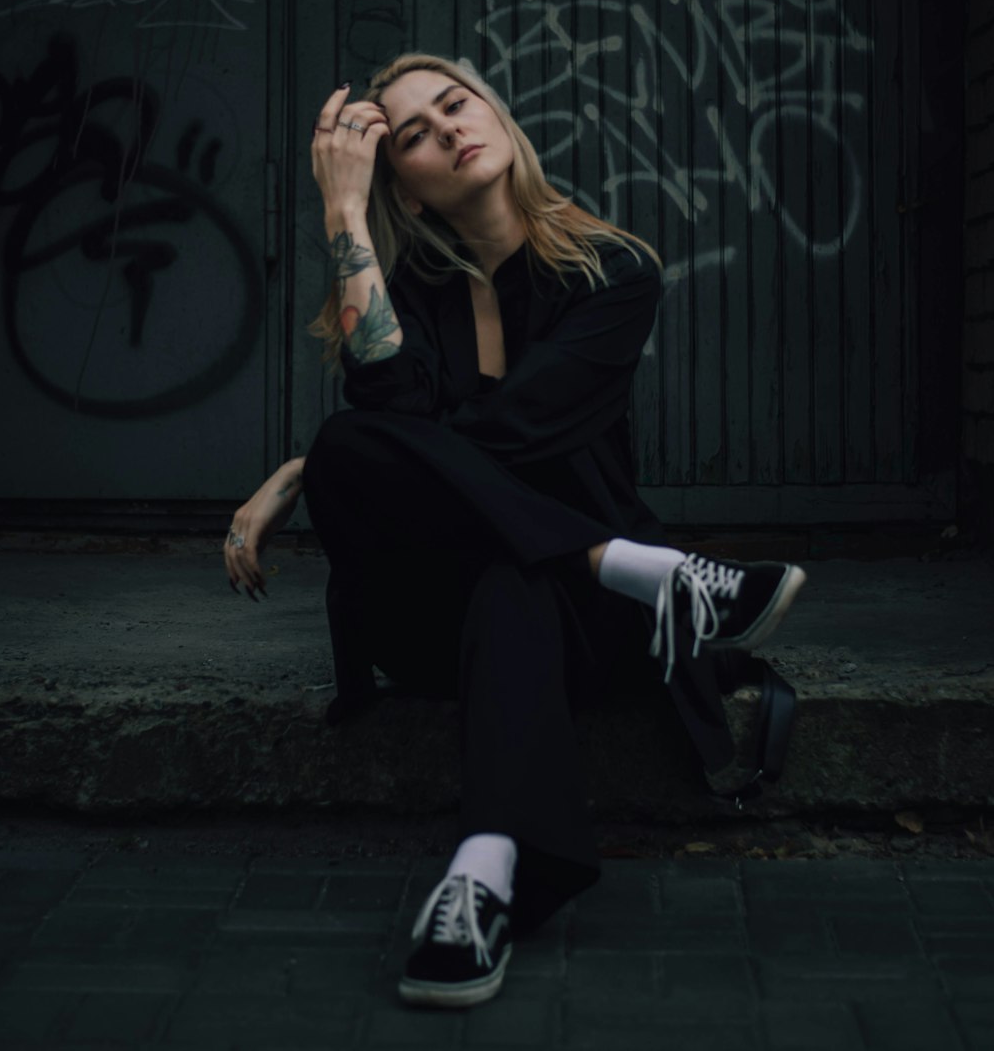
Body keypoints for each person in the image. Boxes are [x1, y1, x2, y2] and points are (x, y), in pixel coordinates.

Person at [223, 54, 806, 1008]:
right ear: (402, 186)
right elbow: (383, 409)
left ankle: (483, 876)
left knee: (496, 562)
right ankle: (649, 571)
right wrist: (341, 212)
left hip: (582, 622)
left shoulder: (612, 270)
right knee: (354, 443)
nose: (447, 129)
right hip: (428, 618)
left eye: (455, 103)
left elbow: (513, 435)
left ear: (493, 111)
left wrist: (305, 469)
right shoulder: (408, 294)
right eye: (412, 133)